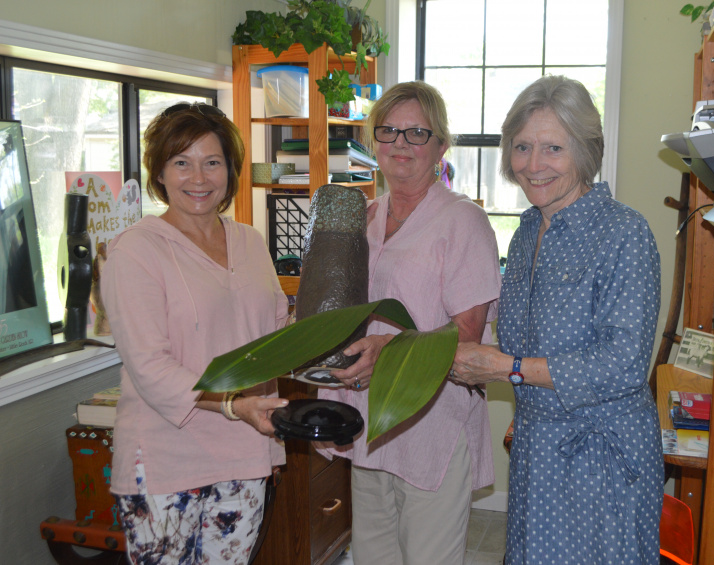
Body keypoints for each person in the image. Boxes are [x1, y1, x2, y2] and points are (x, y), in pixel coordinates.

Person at [450, 75, 664, 564]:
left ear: (584, 151)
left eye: (553, 148)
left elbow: (624, 363)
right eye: (522, 147)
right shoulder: (527, 231)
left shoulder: (624, 232)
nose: (533, 165)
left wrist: (507, 368)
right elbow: (523, 340)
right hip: (536, 449)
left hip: (601, 458)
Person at [317, 81, 502, 565]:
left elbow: (466, 335)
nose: (400, 144)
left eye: (417, 133)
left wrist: (388, 349)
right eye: (389, 131)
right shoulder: (364, 217)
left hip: (431, 420)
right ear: (373, 141)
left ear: (440, 146)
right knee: (373, 556)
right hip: (371, 420)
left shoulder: (462, 221)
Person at [101, 102, 290, 564]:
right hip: (167, 458)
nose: (199, 178)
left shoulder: (250, 242)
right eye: (182, 163)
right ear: (160, 173)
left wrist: (331, 343)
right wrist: (233, 404)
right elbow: (150, 366)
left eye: (212, 162)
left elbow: (276, 336)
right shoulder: (136, 251)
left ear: (230, 170)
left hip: (245, 449)